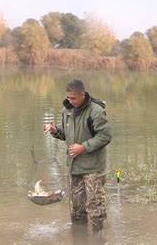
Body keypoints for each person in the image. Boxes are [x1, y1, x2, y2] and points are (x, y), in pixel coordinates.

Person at [43, 79, 112, 232]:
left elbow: (105, 136)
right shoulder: (66, 110)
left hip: (93, 167)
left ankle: (97, 238)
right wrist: (55, 130)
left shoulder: (96, 111)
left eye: (73, 98)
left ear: (82, 94)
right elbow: (66, 134)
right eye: (68, 97)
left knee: (95, 207)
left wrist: (83, 147)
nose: (70, 101)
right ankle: (79, 238)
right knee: (77, 208)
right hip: (74, 166)